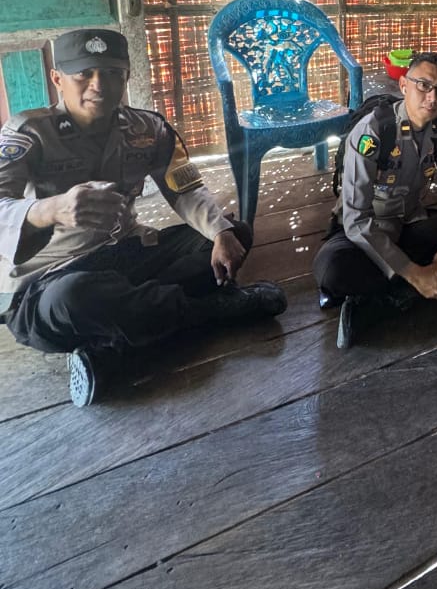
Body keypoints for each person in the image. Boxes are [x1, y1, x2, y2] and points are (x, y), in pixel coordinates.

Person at [0, 29, 286, 407]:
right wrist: (50, 209)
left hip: (128, 255)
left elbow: (185, 188)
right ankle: (209, 312)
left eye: (112, 73)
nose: (99, 84)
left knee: (235, 234)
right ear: (57, 79)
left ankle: (114, 349)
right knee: (72, 299)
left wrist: (219, 231)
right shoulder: (28, 133)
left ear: (127, 77)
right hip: (54, 277)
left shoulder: (148, 128)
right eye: (83, 74)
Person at [313, 52, 437, 348]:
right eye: (423, 85)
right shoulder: (374, 131)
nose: (432, 97)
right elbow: (356, 219)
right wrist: (412, 272)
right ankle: (419, 287)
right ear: (403, 86)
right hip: (367, 232)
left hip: (411, 223)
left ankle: (383, 300)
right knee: (332, 269)